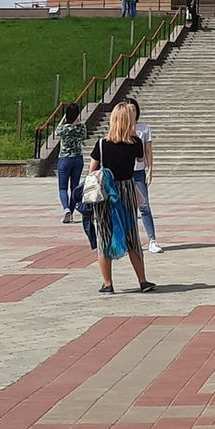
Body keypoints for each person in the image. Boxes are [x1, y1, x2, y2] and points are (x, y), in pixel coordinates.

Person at [87, 103, 154, 294]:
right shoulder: (135, 143)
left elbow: (92, 170)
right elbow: (140, 160)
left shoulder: (102, 144)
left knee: (104, 235)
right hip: (127, 191)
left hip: (106, 194)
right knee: (131, 234)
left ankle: (108, 283)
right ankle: (142, 280)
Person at [124, 97, 162, 254]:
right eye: (128, 110)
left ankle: (152, 239)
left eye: (133, 110)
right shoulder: (120, 128)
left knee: (144, 206)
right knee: (128, 208)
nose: (131, 113)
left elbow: (148, 150)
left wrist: (150, 169)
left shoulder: (144, 129)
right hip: (124, 173)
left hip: (139, 172)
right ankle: (130, 241)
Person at [56, 102, 85, 222]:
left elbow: (57, 131)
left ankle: (66, 208)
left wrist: (64, 119)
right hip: (78, 159)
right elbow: (84, 135)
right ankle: (71, 213)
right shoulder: (81, 128)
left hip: (64, 159)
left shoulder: (63, 129)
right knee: (74, 187)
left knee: (62, 187)